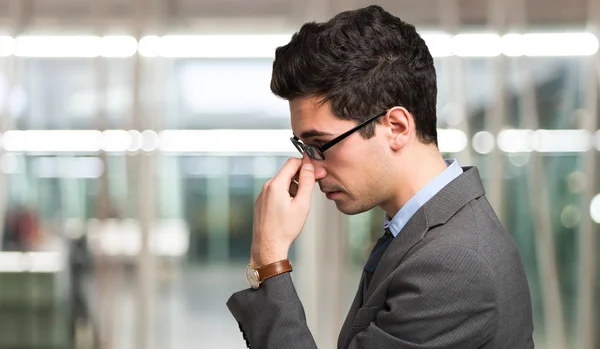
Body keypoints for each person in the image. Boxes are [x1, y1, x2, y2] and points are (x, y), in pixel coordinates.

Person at [226, 5, 534, 349]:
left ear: (397, 127)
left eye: (321, 144)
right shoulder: (420, 231)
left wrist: (269, 259)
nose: (312, 168)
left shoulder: (453, 263)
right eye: (303, 146)